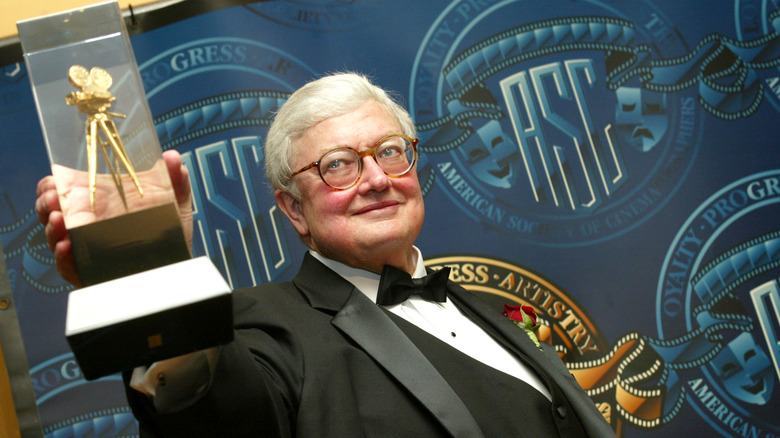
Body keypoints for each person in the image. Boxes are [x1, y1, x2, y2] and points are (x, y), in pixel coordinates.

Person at [36, 72, 616, 437]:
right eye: (337, 165)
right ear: (293, 210)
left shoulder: (479, 311)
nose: (374, 179)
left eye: (390, 152)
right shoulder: (261, 323)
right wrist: (152, 270)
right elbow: (210, 417)